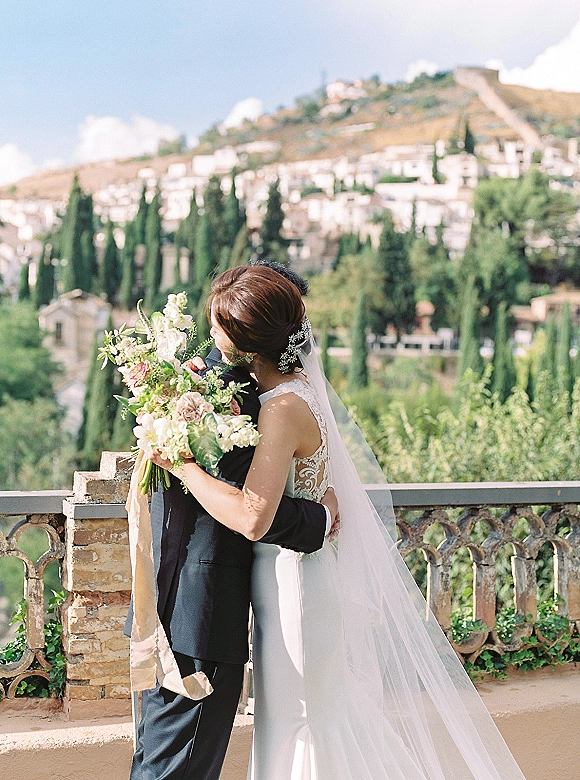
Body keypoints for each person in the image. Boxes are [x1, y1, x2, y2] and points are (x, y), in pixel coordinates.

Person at [150, 265, 528, 780]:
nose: (211, 338)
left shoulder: (281, 408)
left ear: (247, 340)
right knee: (297, 722)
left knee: (303, 724)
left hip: (295, 587)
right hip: (287, 578)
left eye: (218, 328)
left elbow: (253, 515)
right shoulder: (289, 389)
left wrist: (180, 464)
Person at [128, 299, 336, 780]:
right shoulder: (224, 393)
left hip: (186, 603)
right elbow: (249, 505)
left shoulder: (219, 389)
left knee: (162, 761)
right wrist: (317, 520)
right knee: (170, 765)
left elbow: (249, 504)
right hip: (194, 612)